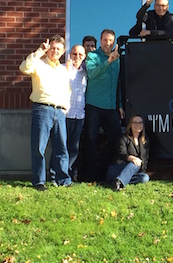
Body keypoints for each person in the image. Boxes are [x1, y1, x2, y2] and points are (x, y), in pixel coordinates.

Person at [19, 35, 71, 190]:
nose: (55, 51)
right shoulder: (39, 64)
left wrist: (66, 105)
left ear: (62, 52)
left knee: (61, 147)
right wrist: (39, 52)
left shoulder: (63, 70)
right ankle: (39, 181)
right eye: (53, 48)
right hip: (42, 109)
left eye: (58, 49)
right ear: (49, 49)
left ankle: (63, 180)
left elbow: (67, 90)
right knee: (39, 148)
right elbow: (24, 68)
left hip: (59, 112)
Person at [84, 29, 124, 182]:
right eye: (105, 40)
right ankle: (89, 177)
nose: (108, 44)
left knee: (116, 140)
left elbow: (117, 84)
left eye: (111, 41)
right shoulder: (92, 56)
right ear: (100, 41)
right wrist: (108, 62)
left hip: (110, 106)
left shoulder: (117, 59)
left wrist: (119, 104)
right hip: (94, 105)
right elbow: (92, 74)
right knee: (91, 141)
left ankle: (102, 172)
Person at [107, 115, 150, 191]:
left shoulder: (145, 141)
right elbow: (122, 154)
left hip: (132, 171)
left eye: (140, 122)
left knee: (145, 177)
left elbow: (144, 160)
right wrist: (132, 158)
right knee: (135, 163)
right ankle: (119, 182)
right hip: (117, 168)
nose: (138, 125)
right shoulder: (123, 138)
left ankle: (118, 181)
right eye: (135, 122)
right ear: (130, 125)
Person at [64, 44, 87, 183]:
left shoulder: (86, 72)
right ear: (70, 55)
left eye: (80, 55)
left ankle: (70, 175)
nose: (77, 57)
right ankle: (56, 175)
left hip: (79, 116)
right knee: (61, 146)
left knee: (74, 148)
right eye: (74, 54)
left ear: (84, 57)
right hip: (65, 114)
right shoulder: (63, 69)